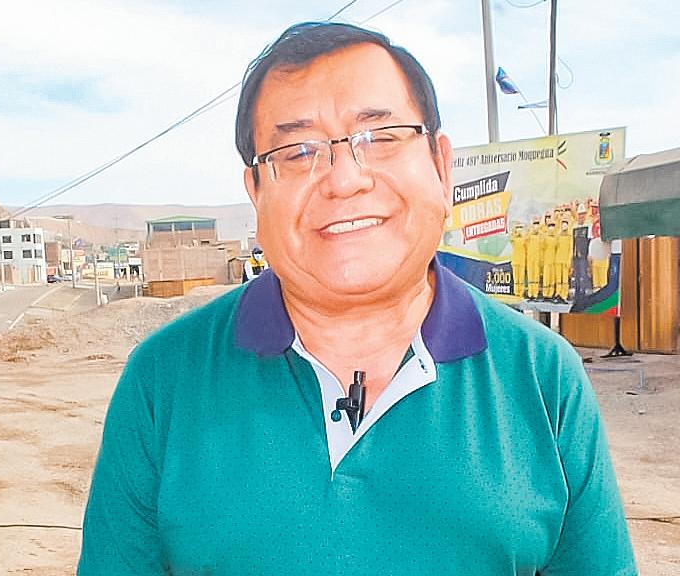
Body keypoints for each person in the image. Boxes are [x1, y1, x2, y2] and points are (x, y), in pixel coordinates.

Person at [78, 22, 636, 575]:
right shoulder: (165, 378)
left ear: (441, 167)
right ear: (256, 192)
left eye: (381, 137)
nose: (344, 180)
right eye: (297, 151)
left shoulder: (542, 376)